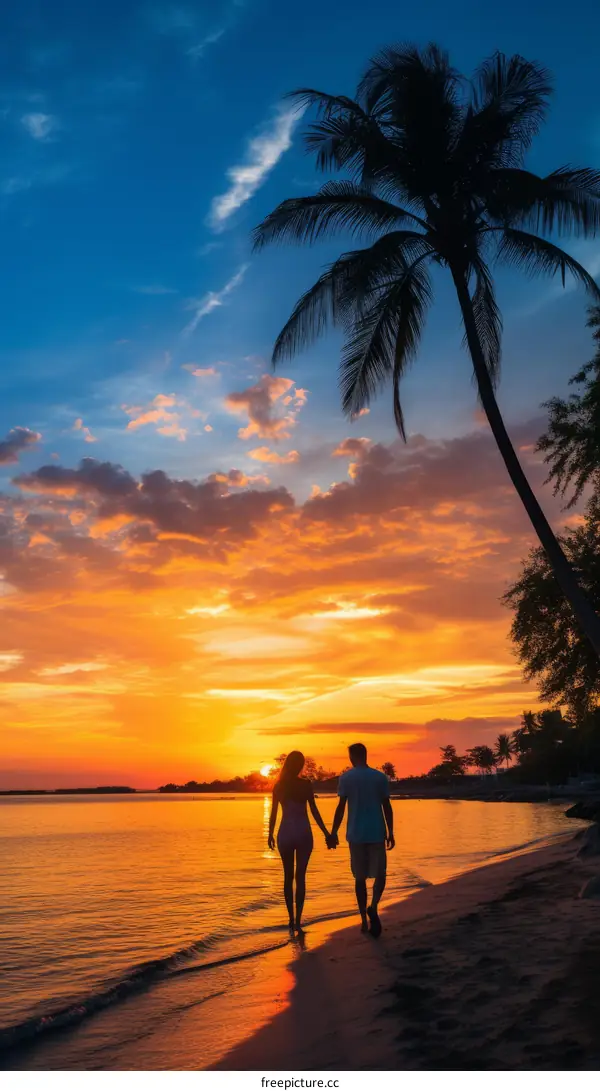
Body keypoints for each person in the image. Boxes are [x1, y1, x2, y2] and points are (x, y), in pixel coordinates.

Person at [330, 743, 395, 937]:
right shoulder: (379, 777)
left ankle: (363, 920)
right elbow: (387, 806)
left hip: (355, 834)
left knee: (359, 878)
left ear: (352, 757)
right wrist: (391, 831)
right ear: (365, 755)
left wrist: (333, 832)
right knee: (380, 874)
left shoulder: (346, 778)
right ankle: (373, 905)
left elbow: (341, 807)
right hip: (376, 832)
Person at [267, 751, 332, 933]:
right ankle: (298, 920)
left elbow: (273, 814)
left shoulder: (279, 786)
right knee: (300, 877)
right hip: (303, 833)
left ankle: (290, 919)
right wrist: (327, 833)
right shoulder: (305, 785)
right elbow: (314, 811)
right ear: (300, 765)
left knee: (288, 878)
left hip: (286, 833)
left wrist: (270, 834)